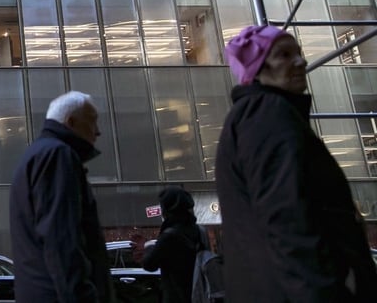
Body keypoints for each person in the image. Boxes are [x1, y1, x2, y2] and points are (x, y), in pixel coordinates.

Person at [218, 25, 377, 302]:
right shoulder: (267, 114)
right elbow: (287, 217)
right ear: (259, 69)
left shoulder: (255, 115)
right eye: (284, 55)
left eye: (299, 53)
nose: (301, 61)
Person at [10, 90, 114, 303]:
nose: (98, 131)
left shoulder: (37, 155)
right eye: (92, 121)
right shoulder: (58, 155)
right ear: (71, 122)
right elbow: (62, 239)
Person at [136, 186, 200, 303]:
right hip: (200, 293)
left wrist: (148, 245)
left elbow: (150, 264)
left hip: (176, 296)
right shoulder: (200, 231)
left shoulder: (169, 235)